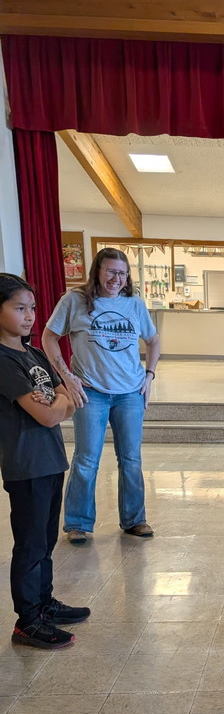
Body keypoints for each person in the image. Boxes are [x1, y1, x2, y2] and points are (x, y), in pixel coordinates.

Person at [42, 248, 160, 543]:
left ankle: (135, 519)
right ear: (97, 271)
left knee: (131, 459)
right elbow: (49, 337)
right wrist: (66, 377)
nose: (116, 279)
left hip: (130, 393)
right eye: (110, 272)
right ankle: (78, 523)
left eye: (122, 273)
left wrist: (149, 375)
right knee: (87, 458)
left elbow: (153, 340)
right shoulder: (74, 301)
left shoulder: (134, 304)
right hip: (90, 392)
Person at [0, 273, 91, 649]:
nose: (29, 316)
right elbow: (52, 413)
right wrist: (60, 400)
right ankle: (28, 620)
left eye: (32, 308)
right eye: (19, 308)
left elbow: (66, 396)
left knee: (46, 540)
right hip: (27, 464)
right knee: (30, 543)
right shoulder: (4, 360)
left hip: (51, 459)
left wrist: (60, 398)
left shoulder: (33, 353)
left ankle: (44, 602)